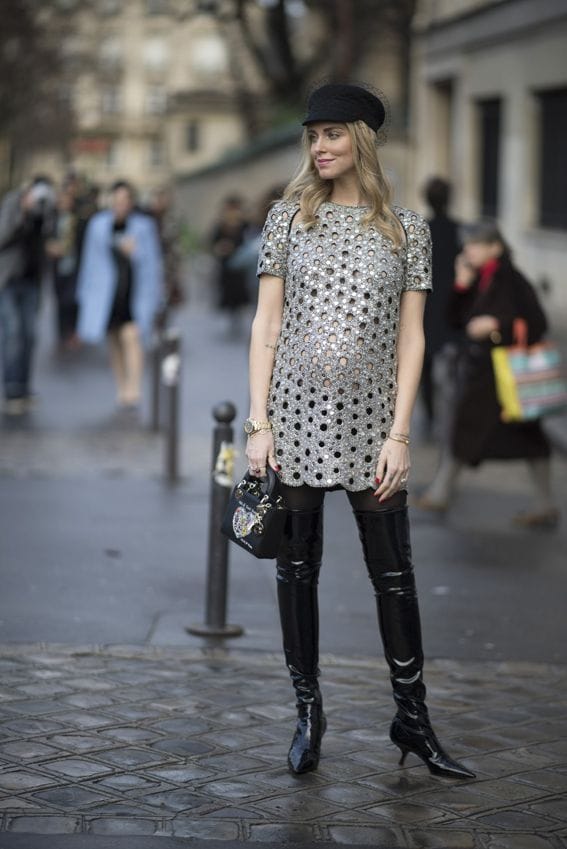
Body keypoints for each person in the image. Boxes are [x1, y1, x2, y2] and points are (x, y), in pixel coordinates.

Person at [245, 83, 475, 779]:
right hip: (294, 420)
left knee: (395, 575)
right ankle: (308, 713)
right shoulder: (287, 219)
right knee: (296, 570)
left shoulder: (406, 228)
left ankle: (411, 718)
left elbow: (411, 339)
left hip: (373, 425)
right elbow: (267, 325)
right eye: (312, 135)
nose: (319, 147)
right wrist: (259, 423)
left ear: (361, 142)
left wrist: (400, 433)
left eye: (333, 135)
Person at [417, 221, 558, 527]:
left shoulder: (509, 278)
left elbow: (536, 321)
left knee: (517, 435)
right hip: (486, 373)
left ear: (494, 247)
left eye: (474, 245)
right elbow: (454, 320)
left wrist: (496, 325)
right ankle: (443, 491)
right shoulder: (481, 276)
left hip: (504, 373)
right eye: (467, 245)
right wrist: (461, 284)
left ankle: (443, 492)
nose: (467, 250)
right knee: (476, 431)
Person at [76, 180, 163, 411]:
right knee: (114, 340)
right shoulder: (98, 225)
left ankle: (134, 388)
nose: (121, 205)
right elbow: (89, 263)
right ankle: (121, 386)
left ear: (131, 202)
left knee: (132, 337)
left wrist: (135, 252)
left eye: (125, 200)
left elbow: (153, 263)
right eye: (117, 200)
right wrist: (84, 295)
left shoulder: (144, 226)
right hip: (106, 296)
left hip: (134, 293)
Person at [0, 177, 55, 415]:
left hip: (33, 281)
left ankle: (23, 388)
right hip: (10, 281)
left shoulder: (45, 208)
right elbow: (3, 236)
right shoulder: (13, 203)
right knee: (12, 333)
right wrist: (23, 211)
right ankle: (12, 391)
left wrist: (45, 212)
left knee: (30, 335)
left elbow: (49, 234)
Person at [420, 177, 462, 436]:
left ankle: (430, 417)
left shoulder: (420, 229)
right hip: (453, 307)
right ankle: (451, 416)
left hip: (425, 305)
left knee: (424, 365)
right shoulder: (459, 231)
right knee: (452, 364)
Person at [210, 195, 250, 337]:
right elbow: (212, 244)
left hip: (241, 267)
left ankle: (238, 319)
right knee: (228, 294)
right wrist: (220, 248)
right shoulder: (220, 226)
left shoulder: (245, 225)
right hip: (226, 267)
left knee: (241, 294)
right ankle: (231, 320)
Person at [45, 186, 79, 349]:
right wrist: (50, 248)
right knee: (59, 302)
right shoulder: (52, 219)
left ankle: (72, 331)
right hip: (58, 267)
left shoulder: (77, 220)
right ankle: (61, 334)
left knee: (71, 301)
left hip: (73, 267)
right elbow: (45, 239)